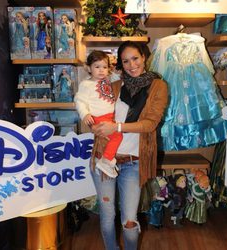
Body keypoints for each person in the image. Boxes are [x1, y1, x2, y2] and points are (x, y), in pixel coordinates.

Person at [90, 41, 168, 250]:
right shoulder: (114, 85)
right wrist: (95, 124)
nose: (132, 65)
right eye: (126, 61)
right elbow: (97, 114)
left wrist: (117, 127)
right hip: (105, 158)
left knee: (129, 221)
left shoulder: (158, 86)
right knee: (107, 217)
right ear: (121, 64)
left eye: (135, 58)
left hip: (133, 163)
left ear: (144, 57)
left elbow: (150, 124)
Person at [75, 50, 123, 178]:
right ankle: (106, 161)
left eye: (105, 67)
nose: (101, 70)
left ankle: (107, 160)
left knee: (114, 137)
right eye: (97, 67)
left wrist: (115, 72)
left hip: (109, 117)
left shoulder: (107, 80)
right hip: (99, 118)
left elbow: (118, 78)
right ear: (88, 68)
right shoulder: (86, 84)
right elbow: (79, 100)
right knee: (117, 137)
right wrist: (84, 114)